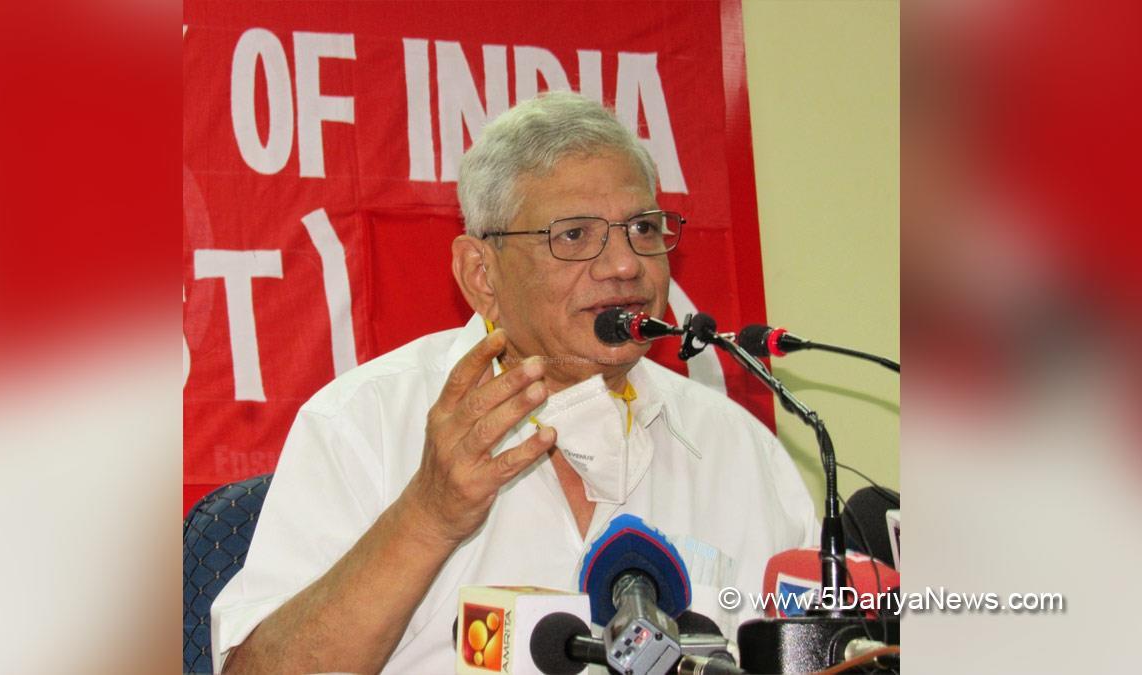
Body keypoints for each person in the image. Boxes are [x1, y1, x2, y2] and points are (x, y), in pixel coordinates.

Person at [211, 91, 817, 674]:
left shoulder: (739, 448)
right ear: (482, 274)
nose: (625, 264)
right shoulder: (363, 423)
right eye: (575, 235)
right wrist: (429, 514)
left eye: (643, 228)